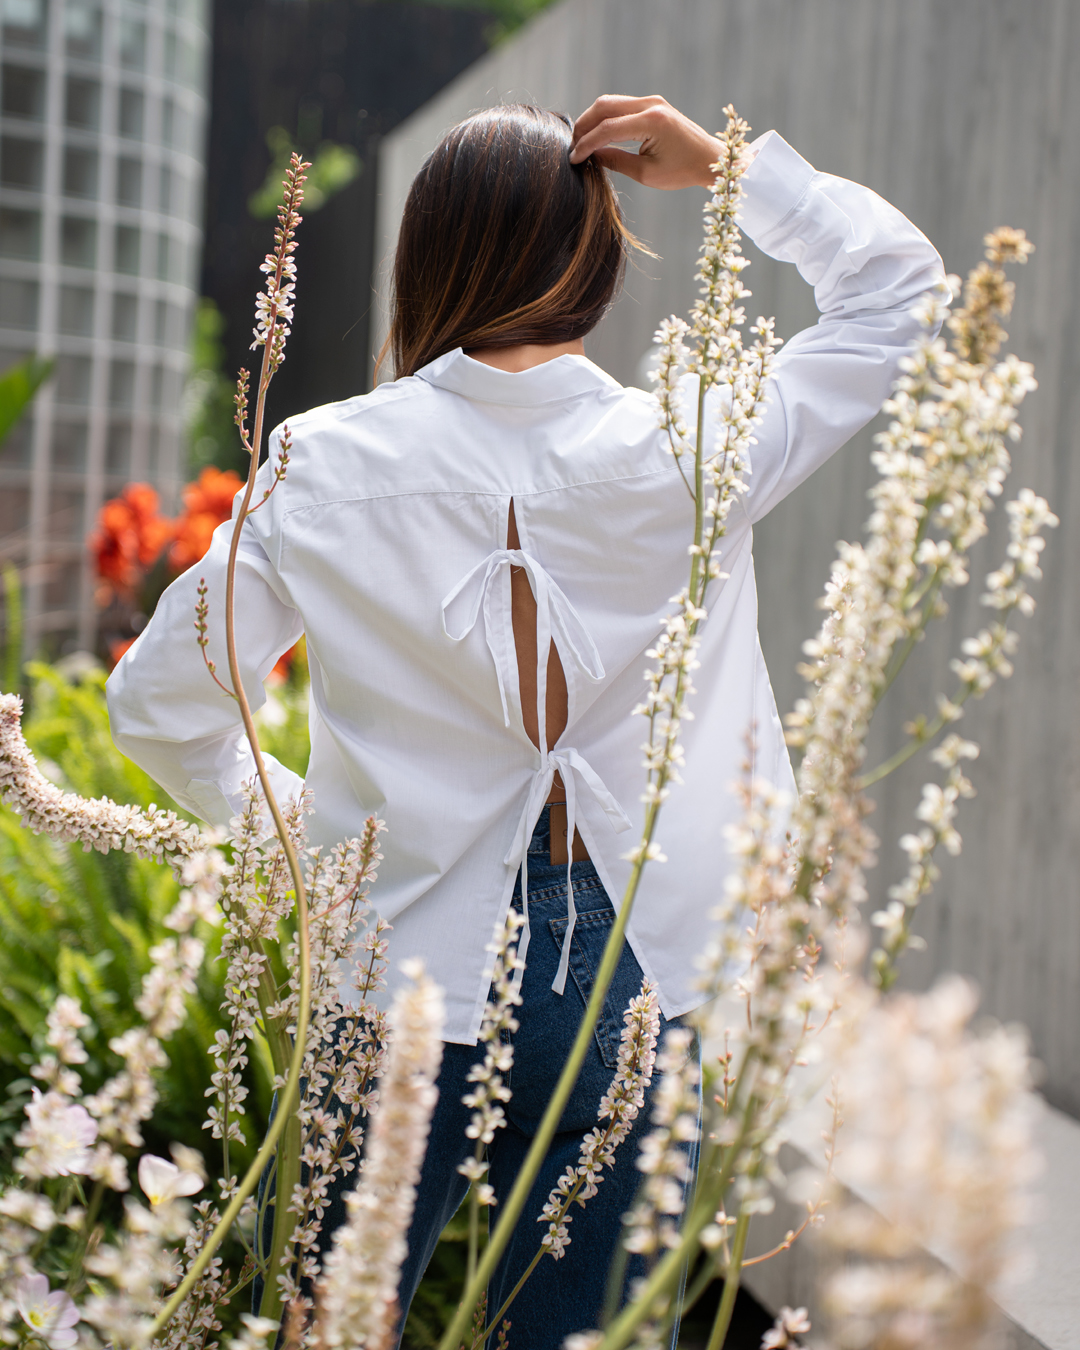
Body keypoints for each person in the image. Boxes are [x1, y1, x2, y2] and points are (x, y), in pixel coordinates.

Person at [107, 95, 945, 1347]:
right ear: (596, 261)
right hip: (634, 959)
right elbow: (899, 296)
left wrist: (307, 843)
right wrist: (726, 174)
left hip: (389, 952)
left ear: (424, 261)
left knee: (329, 1323)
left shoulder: (318, 462)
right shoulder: (694, 439)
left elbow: (161, 706)